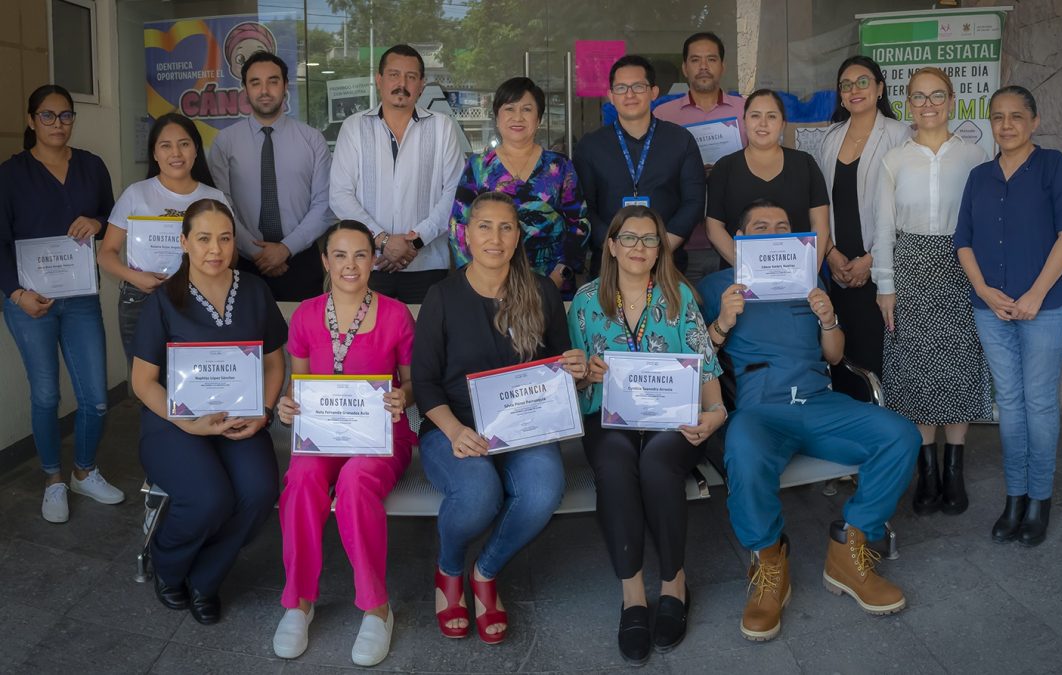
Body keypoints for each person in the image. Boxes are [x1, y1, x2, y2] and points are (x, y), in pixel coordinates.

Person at [697, 200, 920, 642]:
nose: (773, 231)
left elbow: (835, 355)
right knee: (741, 445)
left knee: (900, 435)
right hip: (761, 407)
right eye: (760, 226)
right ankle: (768, 560)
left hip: (818, 399)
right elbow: (697, 358)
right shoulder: (716, 285)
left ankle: (850, 545)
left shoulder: (809, 279)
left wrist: (828, 317)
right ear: (740, 239)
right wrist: (722, 321)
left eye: (782, 226)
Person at [412, 191, 587, 644]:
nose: (495, 237)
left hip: (523, 427)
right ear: (466, 235)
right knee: (477, 494)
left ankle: (485, 571)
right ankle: (449, 568)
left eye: (506, 227)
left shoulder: (541, 290)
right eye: (484, 226)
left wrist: (576, 371)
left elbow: (557, 370)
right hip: (454, 427)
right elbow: (426, 381)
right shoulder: (442, 296)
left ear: (518, 236)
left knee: (543, 489)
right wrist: (454, 431)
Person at [567, 205, 725, 665]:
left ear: (661, 249)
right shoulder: (585, 301)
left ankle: (674, 583)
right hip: (608, 418)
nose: (639, 248)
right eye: (629, 239)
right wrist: (585, 374)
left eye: (650, 239)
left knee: (657, 465)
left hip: (671, 418)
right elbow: (572, 376)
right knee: (615, 464)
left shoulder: (679, 297)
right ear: (611, 246)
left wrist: (715, 412)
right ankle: (632, 595)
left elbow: (705, 367)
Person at [130, 198, 286, 625]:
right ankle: (168, 561)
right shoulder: (163, 300)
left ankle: (206, 577)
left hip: (240, 419)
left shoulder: (254, 291)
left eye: (224, 238)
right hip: (173, 422)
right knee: (208, 498)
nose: (214, 249)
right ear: (184, 243)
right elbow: (142, 383)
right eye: (203, 239)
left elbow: (274, 362)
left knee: (258, 492)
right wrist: (189, 423)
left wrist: (265, 412)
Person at [272, 221, 415, 665]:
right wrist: (287, 405)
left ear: (373, 261)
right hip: (323, 434)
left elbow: (413, 384)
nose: (350, 265)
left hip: (380, 435)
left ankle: (376, 608)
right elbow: (298, 383)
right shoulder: (306, 315)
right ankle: (298, 601)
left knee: (355, 482)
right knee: (300, 479)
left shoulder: (396, 314)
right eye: (340, 255)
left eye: (359, 255)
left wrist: (402, 396)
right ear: (324, 261)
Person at [955, 86, 1062, 547]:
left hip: (1046, 306)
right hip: (992, 309)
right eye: (997, 117)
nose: (1006, 125)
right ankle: (1015, 497)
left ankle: (1040, 501)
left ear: (1033, 121)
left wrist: (1034, 294)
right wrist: (985, 292)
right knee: (1008, 402)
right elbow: (963, 241)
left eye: (1016, 116)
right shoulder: (979, 176)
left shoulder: (1052, 167)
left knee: (1039, 402)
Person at [871, 67, 992, 518]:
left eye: (936, 95)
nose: (927, 104)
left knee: (959, 363)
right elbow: (883, 228)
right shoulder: (894, 160)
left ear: (952, 100)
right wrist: (885, 286)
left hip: (962, 267)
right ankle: (928, 472)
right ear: (907, 103)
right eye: (918, 97)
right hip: (911, 268)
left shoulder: (976, 155)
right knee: (918, 366)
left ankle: (954, 469)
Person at [0, 84, 124, 523]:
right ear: (32, 120)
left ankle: (84, 471)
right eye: (48, 116)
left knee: (96, 398)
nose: (58, 124)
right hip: (28, 301)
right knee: (47, 394)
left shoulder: (91, 167)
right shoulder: (10, 174)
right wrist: (16, 293)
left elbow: (115, 220)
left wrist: (99, 220)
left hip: (82, 299)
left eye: (66, 115)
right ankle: (53, 479)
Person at [330, 44, 464, 304]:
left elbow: (454, 193)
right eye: (393, 74)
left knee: (425, 342)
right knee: (369, 341)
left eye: (411, 77)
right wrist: (382, 240)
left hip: (427, 265)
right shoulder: (354, 127)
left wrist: (414, 242)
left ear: (421, 84)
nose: (401, 83)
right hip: (367, 264)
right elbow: (340, 195)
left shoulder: (441, 127)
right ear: (379, 79)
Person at [97, 113, 226, 361]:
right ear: (154, 154)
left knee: (194, 380)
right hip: (141, 299)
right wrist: (136, 278)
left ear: (196, 149)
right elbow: (106, 254)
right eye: (165, 146)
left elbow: (229, 255)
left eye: (184, 144)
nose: (175, 153)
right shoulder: (136, 194)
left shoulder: (215, 198)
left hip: (200, 299)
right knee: (146, 382)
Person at [448, 77, 589, 298]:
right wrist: (477, 279)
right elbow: (459, 224)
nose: (517, 117)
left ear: (539, 118)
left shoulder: (559, 166)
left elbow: (578, 223)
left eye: (527, 109)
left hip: (551, 283)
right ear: (497, 117)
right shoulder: (478, 166)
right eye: (509, 109)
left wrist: (561, 274)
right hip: (490, 285)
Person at [814, 56, 910, 380]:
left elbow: (905, 207)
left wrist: (871, 260)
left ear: (880, 88)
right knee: (842, 358)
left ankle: (879, 424)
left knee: (877, 357)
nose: (854, 89)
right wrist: (830, 253)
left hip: (880, 268)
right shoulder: (829, 138)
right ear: (840, 95)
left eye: (863, 82)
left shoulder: (900, 135)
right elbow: (819, 205)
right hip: (838, 269)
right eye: (846, 85)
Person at [210, 51, 334, 301]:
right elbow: (221, 206)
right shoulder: (225, 143)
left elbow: (325, 204)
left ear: (285, 86)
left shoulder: (312, 140)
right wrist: (256, 252)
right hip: (243, 263)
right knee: (246, 339)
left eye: (273, 81)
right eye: (255, 82)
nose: (264, 90)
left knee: (304, 338)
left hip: (301, 261)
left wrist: (286, 248)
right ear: (245, 89)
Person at [574, 54, 705, 276]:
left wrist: (661, 248)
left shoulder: (681, 140)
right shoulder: (591, 146)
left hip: (668, 262)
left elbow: (694, 202)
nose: (630, 94)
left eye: (638, 86)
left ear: (654, 92)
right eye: (621, 88)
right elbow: (584, 208)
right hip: (609, 264)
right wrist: (616, 250)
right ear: (611, 96)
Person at [653, 31, 747, 282]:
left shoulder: (746, 111)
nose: (703, 67)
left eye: (711, 59)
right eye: (695, 60)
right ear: (685, 67)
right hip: (679, 242)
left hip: (735, 240)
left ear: (723, 66)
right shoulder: (663, 116)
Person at [705, 89, 830, 272]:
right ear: (744, 121)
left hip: (797, 276)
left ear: (783, 124)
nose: (762, 123)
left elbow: (820, 225)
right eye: (755, 116)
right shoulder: (725, 167)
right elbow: (714, 227)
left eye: (771, 117)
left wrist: (807, 273)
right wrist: (749, 269)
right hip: (739, 279)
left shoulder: (805, 163)